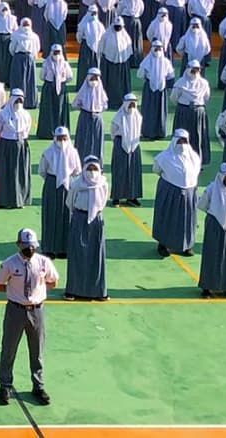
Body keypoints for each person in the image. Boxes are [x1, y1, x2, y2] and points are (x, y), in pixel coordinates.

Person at [0, 228, 59, 406]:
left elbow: (53, 281)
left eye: (32, 247)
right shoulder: (9, 264)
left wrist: (38, 293)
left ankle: (38, 386)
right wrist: (15, 293)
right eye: (26, 247)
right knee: (9, 349)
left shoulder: (44, 262)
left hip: (37, 310)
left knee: (37, 350)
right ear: (19, 245)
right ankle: (5, 385)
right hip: (16, 310)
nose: (29, 250)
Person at [64, 156, 108, 300]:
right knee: (77, 254)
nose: (92, 172)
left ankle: (97, 291)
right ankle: (73, 290)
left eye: (94, 169)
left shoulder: (103, 184)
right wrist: (79, 214)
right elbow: (70, 202)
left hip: (96, 221)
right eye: (89, 168)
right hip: (79, 218)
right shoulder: (77, 184)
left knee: (96, 255)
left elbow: (104, 201)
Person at [152, 130, 202, 257]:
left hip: (190, 192)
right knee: (167, 217)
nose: (182, 144)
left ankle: (186, 246)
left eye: (184, 141)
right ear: (174, 141)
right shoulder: (163, 157)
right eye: (179, 141)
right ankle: (163, 244)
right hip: (170, 191)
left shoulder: (194, 158)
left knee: (186, 220)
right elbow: (157, 170)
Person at [199, 163, 226, 299]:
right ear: (220, 176)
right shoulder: (211, 189)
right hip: (214, 224)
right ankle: (207, 286)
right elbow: (202, 205)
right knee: (212, 254)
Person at [39, 127, 80, 258]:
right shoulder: (48, 153)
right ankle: (49, 248)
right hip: (52, 185)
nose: (62, 141)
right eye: (59, 138)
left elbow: (77, 170)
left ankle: (64, 248)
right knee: (50, 215)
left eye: (64, 138)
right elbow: (42, 171)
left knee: (66, 215)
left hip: (68, 185)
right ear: (54, 138)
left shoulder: (73, 152)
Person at [0, 90, 32, 209]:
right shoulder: (2, 114)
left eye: (21, 100)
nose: (18, 102)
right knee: (6, 172)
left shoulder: (26, 114)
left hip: (21, 145)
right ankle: (5, 200)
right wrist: (2, 142)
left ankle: (20, 199)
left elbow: (28, 129)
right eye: (16, 100)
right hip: (7, 145)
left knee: (21, 172)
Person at [171, 62, 213, 164]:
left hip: (197, 112)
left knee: (198, 136)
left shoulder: (203, 83)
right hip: (184, 111)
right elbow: (174, 97)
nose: (195, 72)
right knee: (182, 136)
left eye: (197, 70)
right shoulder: (180, 83)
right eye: (193, 70)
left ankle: (198, 160)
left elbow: (206, 97)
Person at [108, 93, 143, 207]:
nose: (132, 107)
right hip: (120, 145)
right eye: (130, 104)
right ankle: (117, 197)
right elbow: (113, 132)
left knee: (134, 172)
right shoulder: (118, 117)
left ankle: (132, 196)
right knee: (120, 171)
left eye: (134, 104)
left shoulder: (138, 117)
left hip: (135, 146)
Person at [71, 68, 107, 164]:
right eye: (92, 78)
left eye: (96, 78)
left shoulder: (101, 92)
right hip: (85, 117)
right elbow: (75, 104)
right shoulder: (83, 91)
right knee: (83, 140)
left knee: (97, 141)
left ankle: (97, 162)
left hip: (97, 118)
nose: (94, 81)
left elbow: (105, 105)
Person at [37, 44, 72, 140]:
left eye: (58, 52)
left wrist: (62, 82)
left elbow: (70, 76)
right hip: (49, 88)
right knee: (48, 109)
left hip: (61, 88)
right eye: (55, 52)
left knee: (60, 109)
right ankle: (48, 133)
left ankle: (61, 131)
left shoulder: (65, 64)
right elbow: (42, 76)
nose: (56, 54)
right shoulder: (46, 63)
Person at [8, 19, 40, 111]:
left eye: (27, 24)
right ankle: (17, 100)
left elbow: (12, 48)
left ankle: (29, 102)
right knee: (19, 79)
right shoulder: (16, 35)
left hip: (24, 58)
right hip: (23, 58)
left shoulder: (33, 36)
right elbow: (12, 48)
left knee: (28, 80)